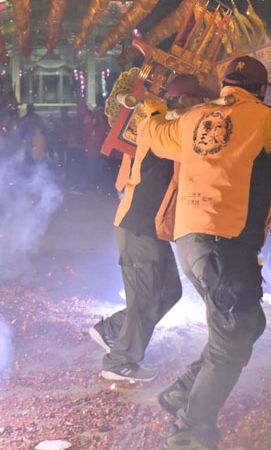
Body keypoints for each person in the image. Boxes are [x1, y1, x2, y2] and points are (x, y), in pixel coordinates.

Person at [145, 56, 271, 450]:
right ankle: (190, 428)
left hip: (190, 242)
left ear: (224, 85)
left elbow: (153, 134)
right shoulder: (264, 119)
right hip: (228, 245)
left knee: (246, 324)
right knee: (233, 339)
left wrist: (151, 106)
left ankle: (183, 391)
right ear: (261, 89)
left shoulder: (193, 117)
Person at [89, 74, 210, 383]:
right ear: (184, 102)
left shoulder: (167, 124)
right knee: (145, 298)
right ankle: (119, 362)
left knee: (170, 291)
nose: (205, 107)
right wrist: (155, 111)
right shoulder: (163, 130)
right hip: (137, 227)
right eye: (200, 100)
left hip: (148, 229)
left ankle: (113, 329)